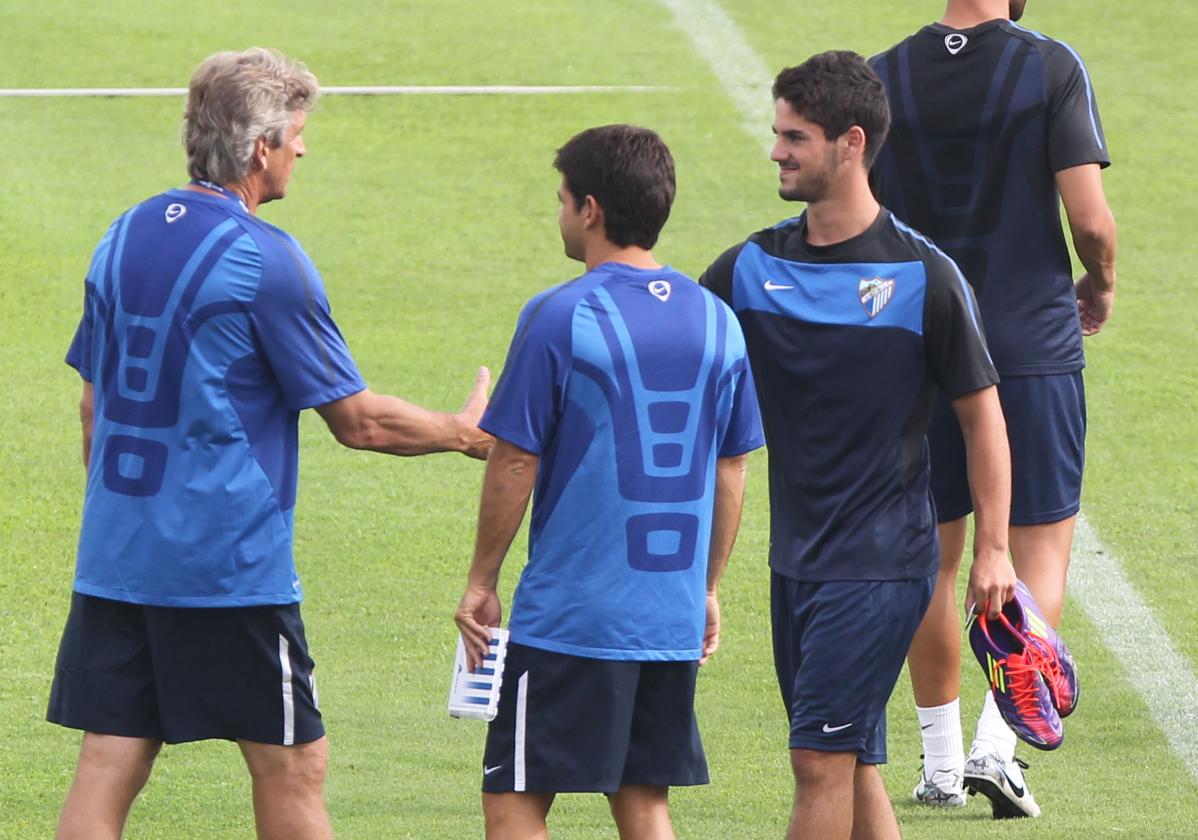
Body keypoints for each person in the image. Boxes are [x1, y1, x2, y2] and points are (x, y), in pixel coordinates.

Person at [48, 47, 492, 840]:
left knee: (109, 760)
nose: (303, 150)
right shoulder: (266, 259)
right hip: (226, 572)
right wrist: (466, 433)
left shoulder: (119, 236)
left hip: (116, 558)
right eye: (296, 136)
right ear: (261, 149)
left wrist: (123, 524)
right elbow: (359, 421)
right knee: (292, 764)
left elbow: (94, 404)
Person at [699, 51, 1016, 840]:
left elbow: (984, 418)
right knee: (852, 766)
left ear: (850, 143)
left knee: (818, 764)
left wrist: (994, 550)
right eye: (777, 133)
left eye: (794, 137)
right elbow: (673, 344)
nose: (776, 150)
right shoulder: (752, 267)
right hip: (795, 561)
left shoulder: (923, 278)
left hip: (881, 565)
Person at [454, 124, 764, 840]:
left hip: (573, 617)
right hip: (668, 617)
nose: (559, 214)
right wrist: (707, 588)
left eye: (562, 200)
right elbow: (731, 466)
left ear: (590, 209)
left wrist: (481, 579)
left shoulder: (561, 314)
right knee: (643, 801)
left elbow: (515, 459)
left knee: (515, 800)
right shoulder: (717, 321)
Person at [870, 0, 1118, 818]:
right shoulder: (1049, 66)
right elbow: (1090, 220)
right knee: (1037, 543)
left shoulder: (882, 75)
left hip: (920, 344)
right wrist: (1101, 279)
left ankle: (939, 765)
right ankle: (995, 749)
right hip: (1027, 343)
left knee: (931, 562)